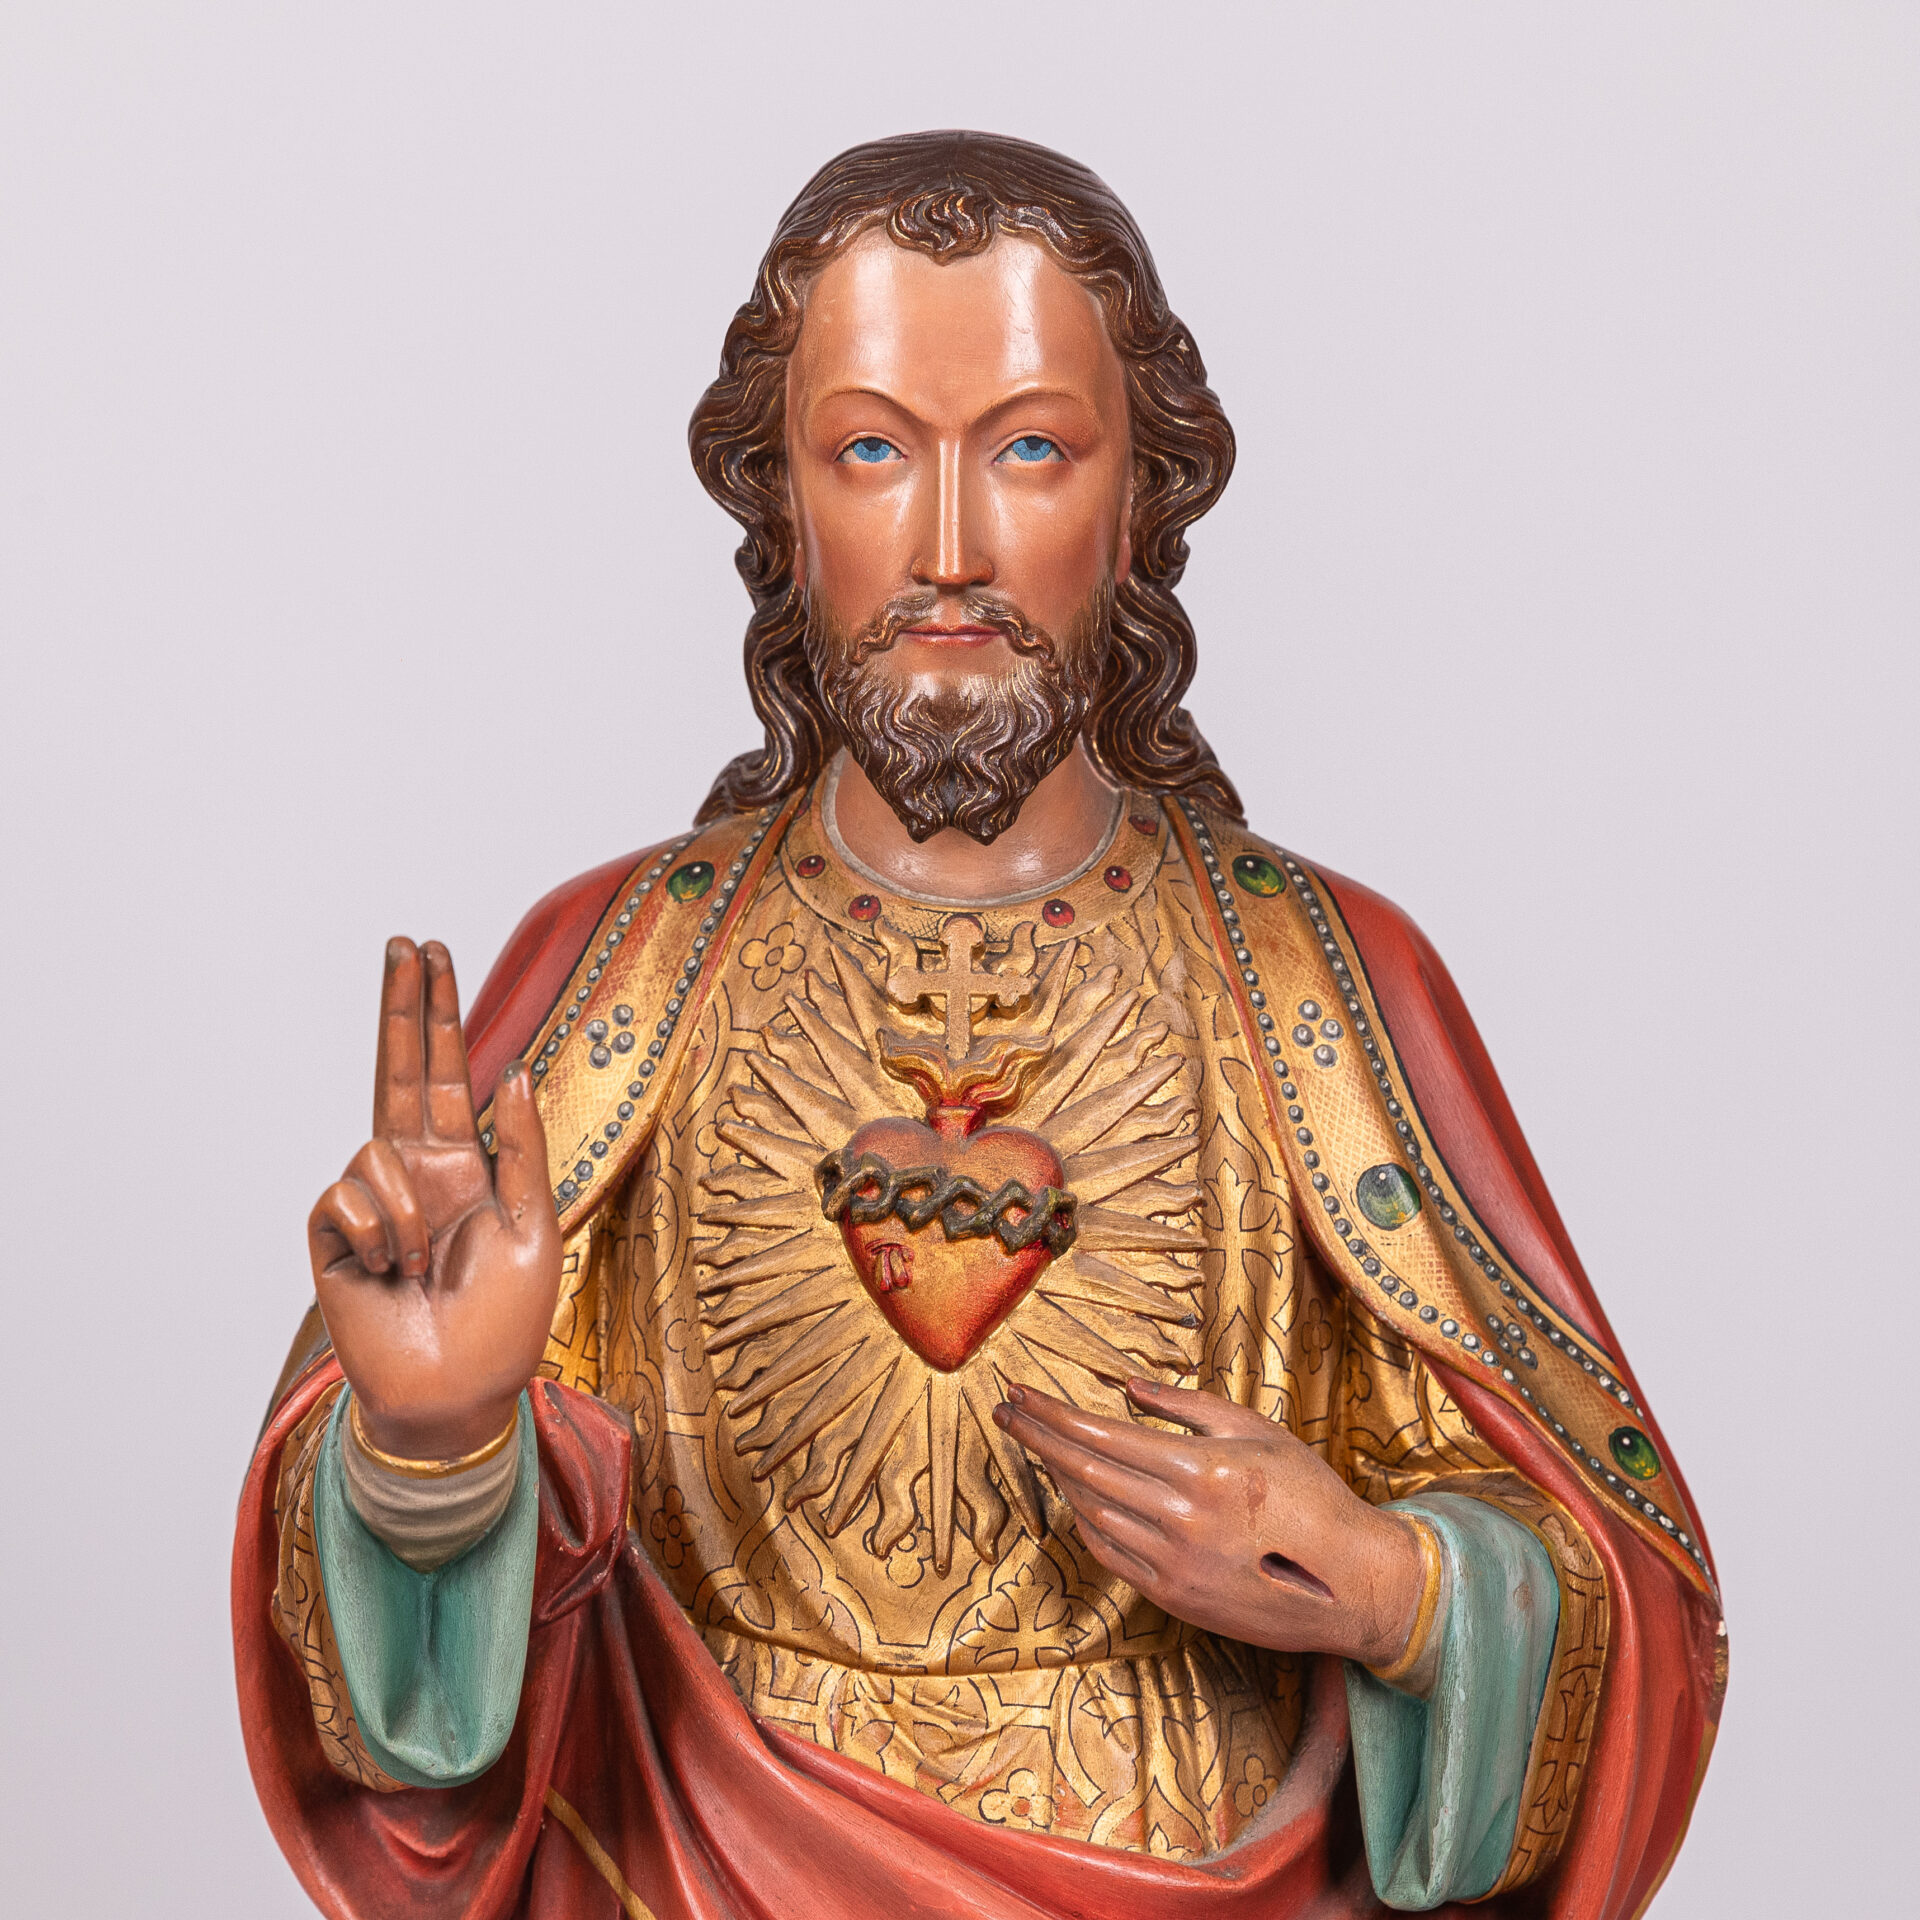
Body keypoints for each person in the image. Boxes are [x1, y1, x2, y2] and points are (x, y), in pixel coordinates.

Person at [235, 131, 1723, 1919]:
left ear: (1141, 500)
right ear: (783, 508)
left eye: (1030, 449)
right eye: (872, 451)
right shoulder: (624, 973)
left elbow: (1619, 1576)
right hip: (702, 1864)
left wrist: (1396, 1589)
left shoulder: (1319, 981)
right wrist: (430, 1458)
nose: (949, 549)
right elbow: (415, 1733)